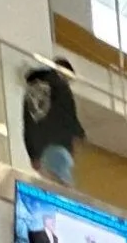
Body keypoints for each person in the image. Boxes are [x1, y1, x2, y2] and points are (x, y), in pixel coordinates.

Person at [22, 57, 86, 186]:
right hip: (59, 146)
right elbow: (67, 115)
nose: (68, 83)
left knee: (48, 184)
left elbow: (28, 123)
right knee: (63, 189)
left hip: (40, 152)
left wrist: (33, 154)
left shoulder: (32, 90)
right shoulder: (60, 86)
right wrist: (79, 134)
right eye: (68, 79)